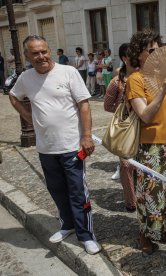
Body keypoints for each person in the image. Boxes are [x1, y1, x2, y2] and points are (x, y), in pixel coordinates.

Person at [8, 35, 101, 254]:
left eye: (44, 51)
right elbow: (13, 96)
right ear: (27, 56)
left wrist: (86, 136)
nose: (41, 57)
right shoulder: (26, 77)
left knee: (78, 192)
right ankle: (67, 225)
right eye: (35, 53)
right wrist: (28, 117)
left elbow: (84, 106)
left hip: (72, 147)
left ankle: (86, 235)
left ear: (49, 51)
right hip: (46, 149)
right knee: (57, 190)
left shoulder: (68, 72)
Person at [126, 29, 166, 255]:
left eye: (158, 50)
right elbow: (145, 115)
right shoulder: (135, 80)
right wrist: (165, 89)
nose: (156, 54)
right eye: (151, 51)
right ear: (139, 54)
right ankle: (144, 234)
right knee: (149, 194)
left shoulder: (161, 77)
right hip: (148, 147)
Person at [104, 43, 138, 212]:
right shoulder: (117, 81)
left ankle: (143, 198)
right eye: (133, 55)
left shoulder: (145, 78)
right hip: (125, 130)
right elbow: (107, 105)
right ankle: (131, 202)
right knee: (126, 165)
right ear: (125, 58)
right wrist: (123, 113)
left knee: (142, 164)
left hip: (145, 128)